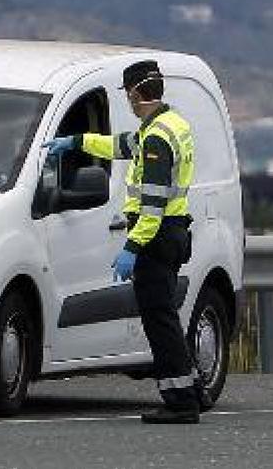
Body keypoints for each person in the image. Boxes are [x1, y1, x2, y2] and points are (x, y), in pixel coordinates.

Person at [45, 59, 206, 424]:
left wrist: (131, 248)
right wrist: (77, 142)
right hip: (173, 231)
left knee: (158, 320)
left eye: (128, 95)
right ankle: (190, 389)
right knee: (166, 316)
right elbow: (121, 145)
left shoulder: (156, 138)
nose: (128, 103)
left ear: (135, 92)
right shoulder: (171, 124)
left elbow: (152, 205)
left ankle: (180, 403)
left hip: (156, 236)